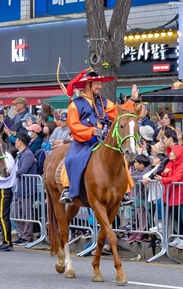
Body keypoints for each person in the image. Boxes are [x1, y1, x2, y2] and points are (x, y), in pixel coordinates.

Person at [59, 69, 139, 204]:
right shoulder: (75, 104)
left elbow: (120, 112)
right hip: (83, 141)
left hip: (103, 140)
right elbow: (73, 125)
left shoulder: (104, 102)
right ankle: (68, 189)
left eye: (100, 84)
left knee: (121, 159)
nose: (100, 86)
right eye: (97, 83)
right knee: (72, 159)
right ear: (88, 84)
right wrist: (90, 131)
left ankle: (124, 191)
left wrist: (132, 100)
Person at [13, 131, 38, 246]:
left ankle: (27, 236)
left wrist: (11, 174)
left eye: (17, 140)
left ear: (21, 142)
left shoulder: (28, 154)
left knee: (27, 213)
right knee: (17, 212)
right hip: (19, 188)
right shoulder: (20, 154)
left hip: (27, 189)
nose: (16, 142)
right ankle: (21, 234)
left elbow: (23, 169)